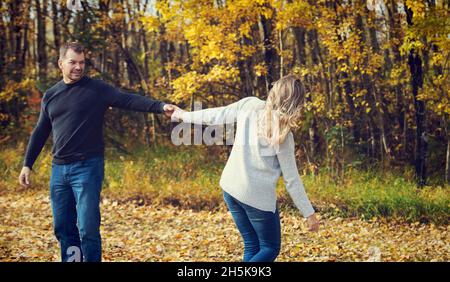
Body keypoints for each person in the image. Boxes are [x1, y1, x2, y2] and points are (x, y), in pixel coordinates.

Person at [18, 42, 176, 262]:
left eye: (82, 63)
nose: (78, 67)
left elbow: (127, 99)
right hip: (59, 170)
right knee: (63, 228)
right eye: (73, 62)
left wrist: (160, 106)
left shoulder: (97, 90)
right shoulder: (51, 95)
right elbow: (40, 131)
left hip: (87, 168)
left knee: (87, 228)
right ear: (60, 63)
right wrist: (28, 163)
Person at [172, 75, 320, 262]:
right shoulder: (283, 135)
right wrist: (309, 213)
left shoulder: (249, 105)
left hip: (231, 188)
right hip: (256, 198)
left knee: (252, 246)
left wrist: (182, 115)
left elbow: (216, 115)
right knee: (270, 248)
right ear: (295, 103)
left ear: (274, 92)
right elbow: (292, 180)